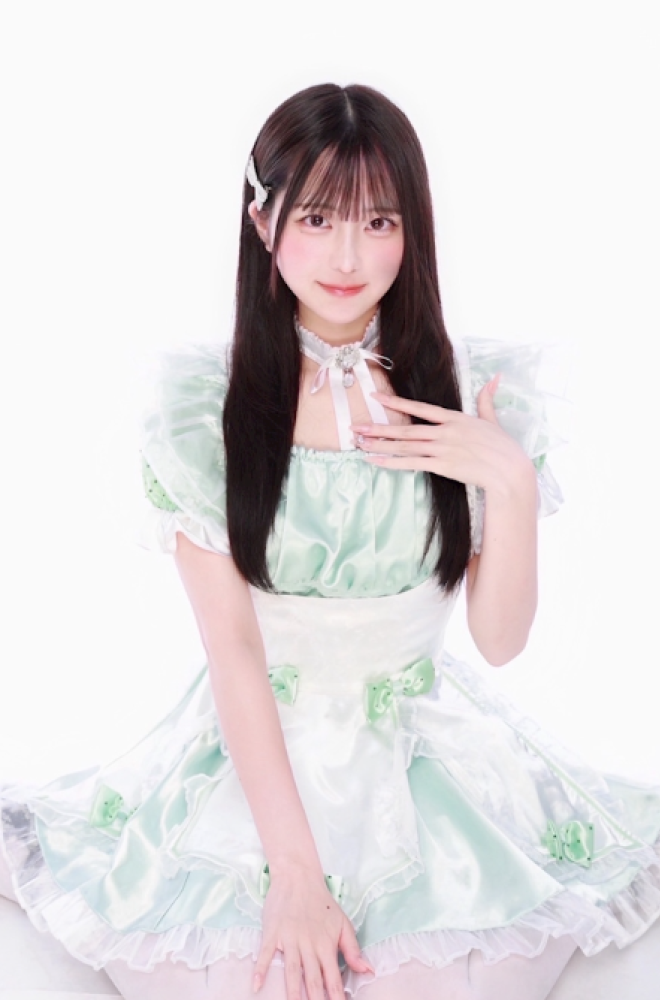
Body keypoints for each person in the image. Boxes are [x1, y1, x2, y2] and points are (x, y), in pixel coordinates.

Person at [1, 82, 659, 1000]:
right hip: (252, 755)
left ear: (413, 229)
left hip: (426, 756)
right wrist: (296, 877)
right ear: (261, 221)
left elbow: (501, 640)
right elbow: (234, 652)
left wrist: (507, 480)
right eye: (317, 218)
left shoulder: (472, 388)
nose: (349, 257)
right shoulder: (204, 409)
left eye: (379, 222)